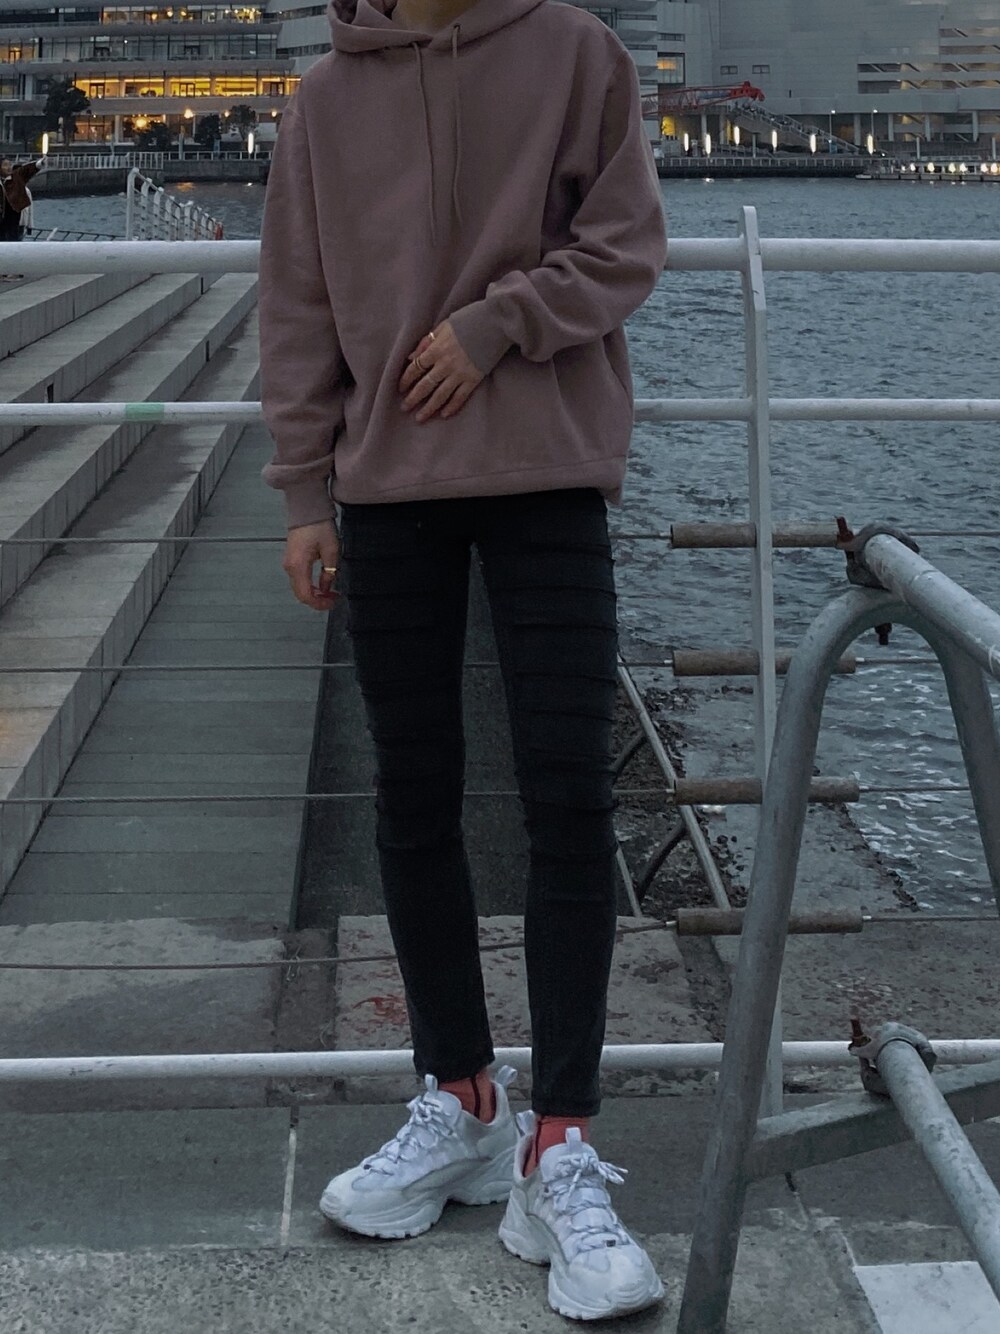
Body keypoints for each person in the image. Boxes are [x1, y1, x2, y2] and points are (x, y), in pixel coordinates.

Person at [258, 0, 667, 1320]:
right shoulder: (325, 104)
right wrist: (302, 492)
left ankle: (561, 1143)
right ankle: (462, 1095)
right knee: (413, 799)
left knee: (571, 797)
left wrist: (500, 323)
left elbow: (624, 244)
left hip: (549, 471)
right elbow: (298, 302)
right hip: (386, 493)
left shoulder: (578, 54)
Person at [0, 158, 42, 243]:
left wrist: (38, 164)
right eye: (5, 165)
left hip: (15, 221)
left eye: (10, 165)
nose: (9, 167)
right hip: (2, 220)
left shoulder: (16, 180)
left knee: (13, 241)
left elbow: (26, 170)